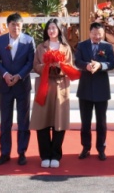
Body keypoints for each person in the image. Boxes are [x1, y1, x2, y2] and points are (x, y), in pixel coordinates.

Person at [0, 13, 35, 166]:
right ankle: (4, 152)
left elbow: (30, 62)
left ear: (22, 25)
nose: (16, 27)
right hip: (5, 86)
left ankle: (22, 152)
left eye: (18, 25)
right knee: (5, 121)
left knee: (23, 120)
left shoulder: (29, 40)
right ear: (8, 25)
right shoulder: (0, 40)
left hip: (22, 85)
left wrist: (19, 76)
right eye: (13, 24)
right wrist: (5, 74)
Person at [31, 18, 74, 168]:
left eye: (54, 28)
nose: (51, 31)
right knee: (42, 120)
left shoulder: (65, 47)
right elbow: (35, 65)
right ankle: (45, 155)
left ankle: (56, 154)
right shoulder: (41, 47)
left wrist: (60, 66)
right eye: (49, 28)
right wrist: (47, 66)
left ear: (59, 30)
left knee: (59, 121)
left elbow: (70, 67)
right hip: (44, 86)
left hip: (60, 86)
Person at [75, 21, 114, 161]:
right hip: (85, 88)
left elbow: (112, 63)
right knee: (85, 122)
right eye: (94, 33)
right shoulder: (82, 45)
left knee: (101, 122)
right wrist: (86, 65)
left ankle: (101, 148)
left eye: (99, 34)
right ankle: (85, 147)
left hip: (101, 89)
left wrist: (100, 65)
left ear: (103, 34)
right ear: (90, 33)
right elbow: (77, 61)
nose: (97, 36)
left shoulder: (107, 46)